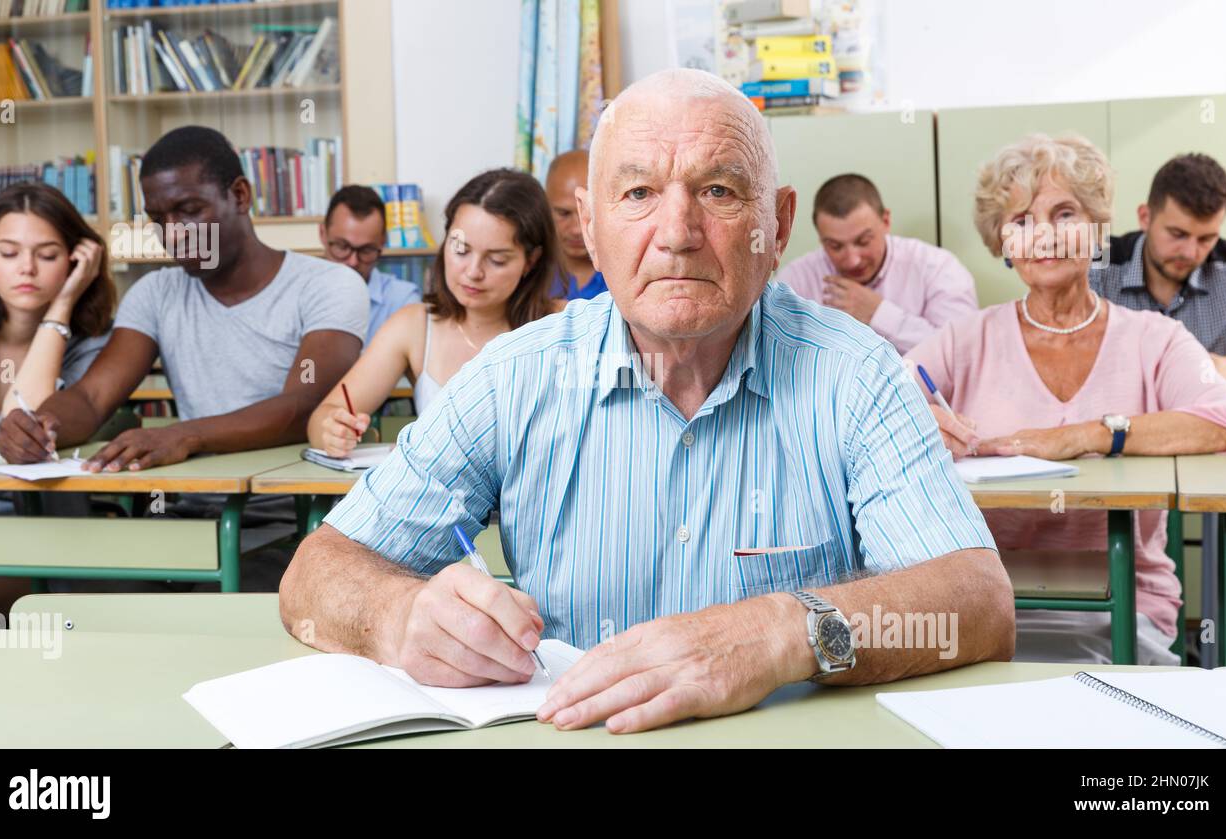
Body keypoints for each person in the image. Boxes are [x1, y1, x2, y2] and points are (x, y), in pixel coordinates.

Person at [280, 69, 1012, 736]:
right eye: (637, 194)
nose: (677, 234)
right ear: (589, 229)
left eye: (719, 190)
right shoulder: (515, 378)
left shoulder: (856, 374)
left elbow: (978, 603)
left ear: (779, 224)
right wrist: (398, 616)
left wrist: (780, 633)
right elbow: (316, 572)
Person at [907, 133, 1226, 665]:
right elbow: (872, 410)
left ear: (1095, 230)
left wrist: (1087, 435)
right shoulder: (965, 338)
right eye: (1021, 220)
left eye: (1064, 213)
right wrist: (918, 423)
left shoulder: (1153, 338)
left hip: (1124, 604)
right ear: (1002, 243)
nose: (1043, 235)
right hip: (986, 600)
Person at [0, 125, 367, 472]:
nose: (173, 235)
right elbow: (92, 398)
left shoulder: (330, 285)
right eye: (158, 219)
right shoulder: (156, 294)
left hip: (300, 513)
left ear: (240, 195)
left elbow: (304, 407)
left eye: (189, 211)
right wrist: (41, 426)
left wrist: (185, 434)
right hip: (195, 505)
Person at [307, 169, 561, 456]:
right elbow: (324, 415)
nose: (473, 272)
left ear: (531, 260)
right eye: (460, 250)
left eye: (497, 260)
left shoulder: (563, 325)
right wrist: (331, 430)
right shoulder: (414, 325)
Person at [0, 182, 114, 613]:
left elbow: (21, 416)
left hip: (53, 528)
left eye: (47, 255)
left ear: (76, 260)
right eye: (9, 254)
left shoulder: (99, 344)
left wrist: (62, 306)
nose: (26, 268)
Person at [1089, 153, 1226, 384]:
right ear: (1145, 217)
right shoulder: (1098, 261)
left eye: (1206, 239)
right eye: (1178, 234)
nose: (1190, 253)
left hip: (1200, 415)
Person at [777, 174, 978, 353]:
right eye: (835, 246)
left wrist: (879, 314)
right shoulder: (795, 280)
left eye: (863, 241)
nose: (852, 260)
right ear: (820, 238)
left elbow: (961, 353)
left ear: (886, 221)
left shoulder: (937, 268)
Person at [319, 184, 421, 344]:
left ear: (383, 242)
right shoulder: (296, 293)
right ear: (322, 234)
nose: (352, 262)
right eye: (342, 246)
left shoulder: (402, 301)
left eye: (366, 250)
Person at [545, 149, 606, 300]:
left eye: (588, 213)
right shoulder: (526, 271)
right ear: (544, 206)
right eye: (563, 214)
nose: (577, 229)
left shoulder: (625, 273)